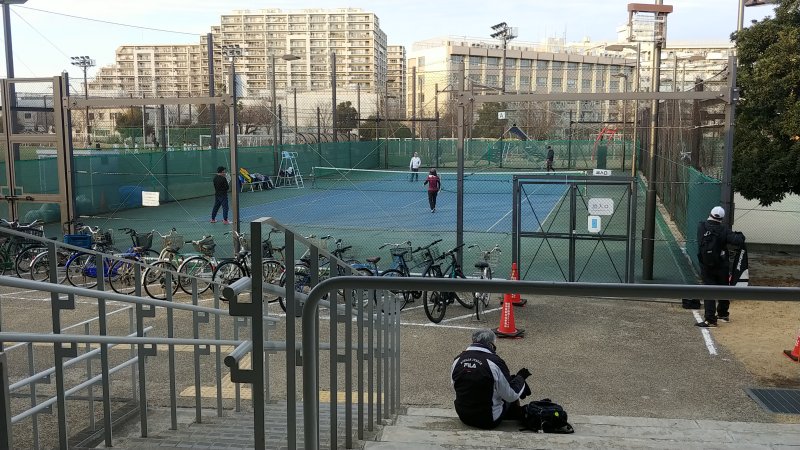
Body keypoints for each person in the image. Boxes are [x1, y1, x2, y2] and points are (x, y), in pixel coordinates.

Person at [451, 329, 532, 429]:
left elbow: (456, 386)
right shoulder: (495, 362)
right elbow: (511, 396)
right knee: (512, 386)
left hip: (463, 416)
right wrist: (521, 378)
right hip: (488, 420)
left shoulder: (457, 360)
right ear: (490, 344)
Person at [695, 206, 745, 328]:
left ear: (710, 214)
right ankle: (723, 314)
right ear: (722, 218)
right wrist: (739, 235)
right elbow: (738, 240)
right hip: (722, 264)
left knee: (709, 290)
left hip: (706, 265)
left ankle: (710, 319)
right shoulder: (724, 230)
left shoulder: (701, 226)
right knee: (724, 288)